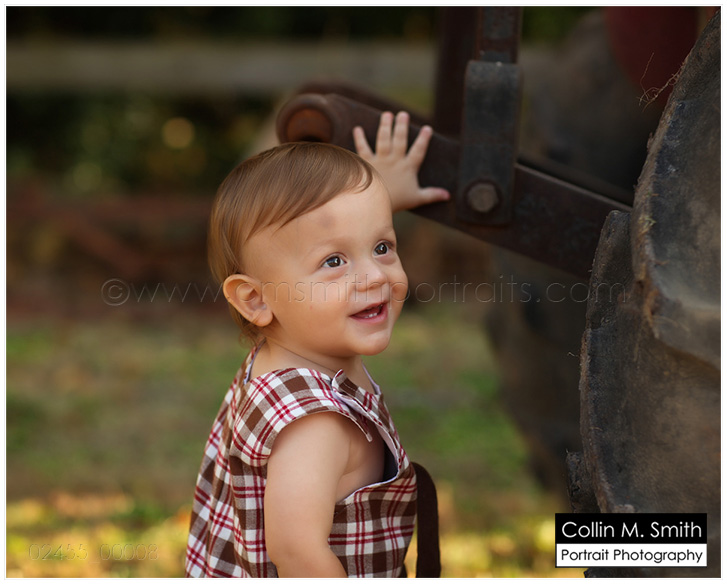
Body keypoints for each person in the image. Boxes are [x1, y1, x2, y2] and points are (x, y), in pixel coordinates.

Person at [185, 111, 449, 578]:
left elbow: (337, 230)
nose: (373, 276)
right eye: (333, 261)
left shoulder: (281, 352)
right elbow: (297, 553)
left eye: (382, 247)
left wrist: (382, 195)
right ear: (255, 299)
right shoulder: (316, 426)